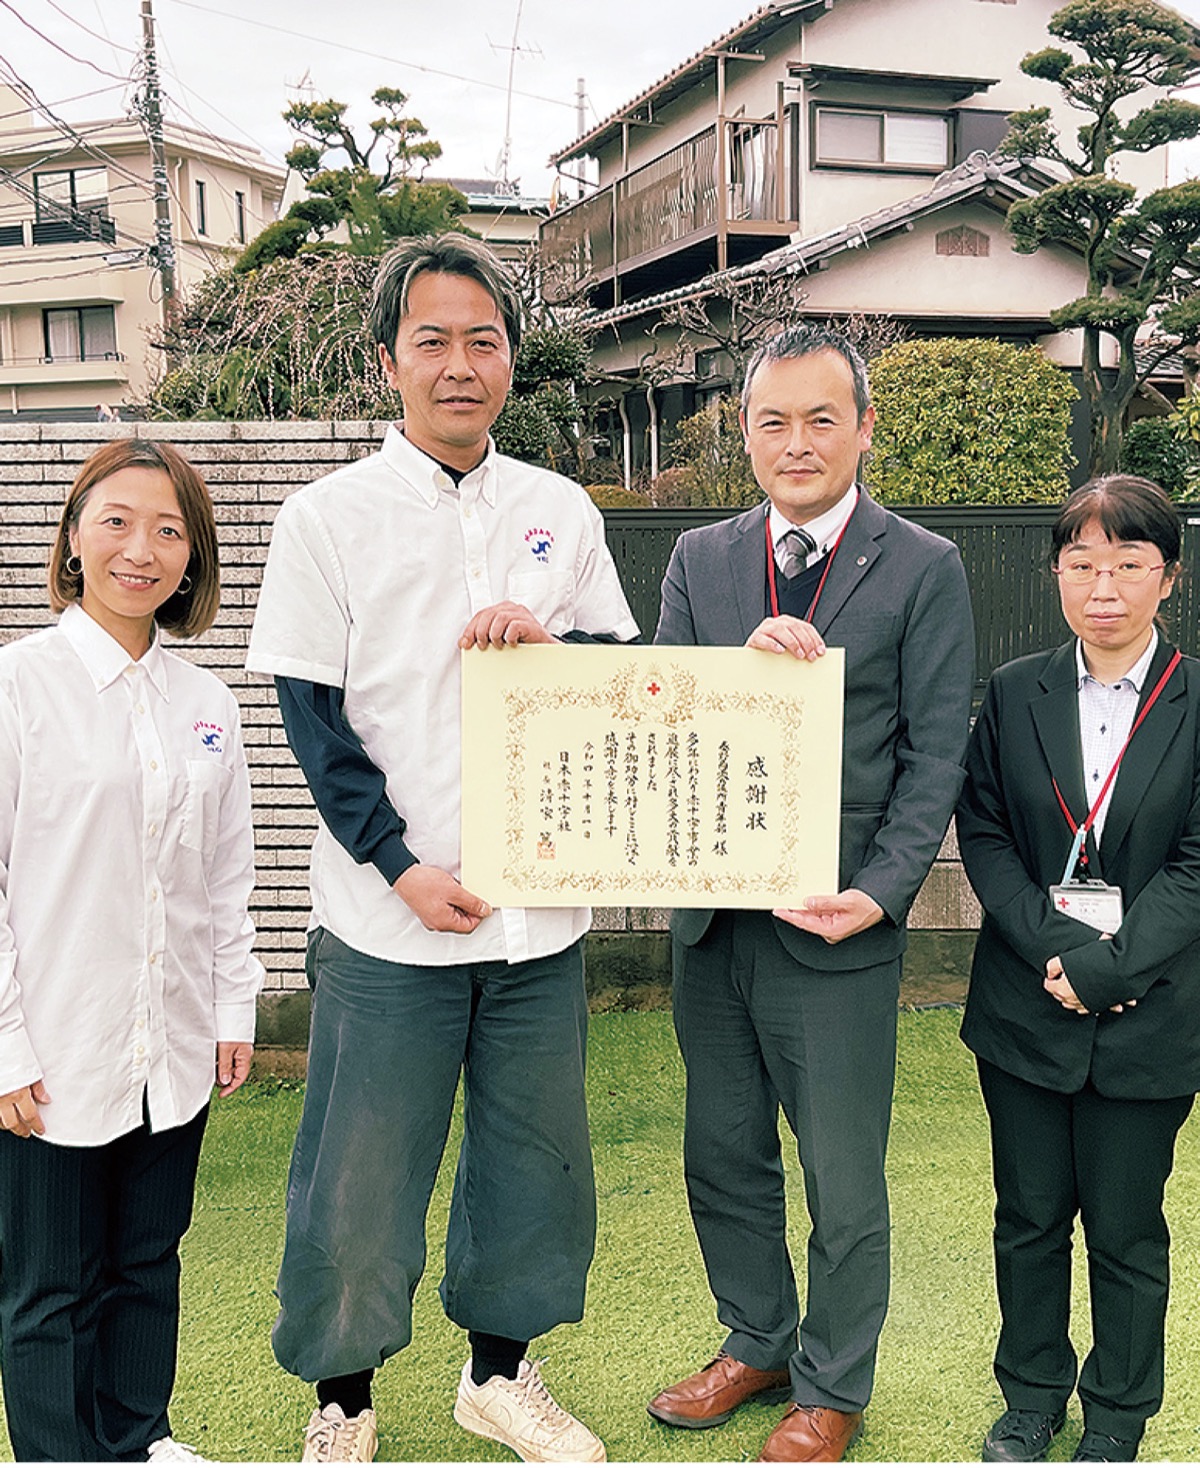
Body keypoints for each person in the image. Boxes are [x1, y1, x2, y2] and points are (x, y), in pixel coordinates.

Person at [245, 232, 639, 1465]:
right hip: (386, 920)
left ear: (512, 361)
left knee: (533, 1170)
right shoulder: (327, 519)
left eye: (484, 340)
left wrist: (557, 647)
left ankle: (498, 1378)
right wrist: (400, 867)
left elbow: (621, 676)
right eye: (433, 341)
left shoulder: (557, 508)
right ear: (387, 362)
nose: (460, 364)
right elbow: (313, 720)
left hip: (540, 921)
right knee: (358, 1182)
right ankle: (345, 1399)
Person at [649, 323, 974, 1463]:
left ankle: (833, 1383)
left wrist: (884, 893)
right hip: (713, 922)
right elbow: (667, 713)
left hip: (839, 923)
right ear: (743, 434)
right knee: (722, 1149)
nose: (796, 443)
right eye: (771, 421)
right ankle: (756, 1340)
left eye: (820, 418)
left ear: (864, 428)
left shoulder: (925, 564)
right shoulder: (701, 556)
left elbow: (936, 752)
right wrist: (741, 663)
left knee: (841, 1168)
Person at [0, 438, 263, 1463]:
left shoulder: (204, 703)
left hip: (175, 1042)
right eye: (115, 521)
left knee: (149, 1259)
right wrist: (6, 1046)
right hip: (53, 1046)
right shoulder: (19, 686)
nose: (140, 549)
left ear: (191, 556)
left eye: (168, 529)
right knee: (47, 1283)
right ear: (73, 536)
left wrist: (232, 1008)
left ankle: (138, 1437)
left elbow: (225, 876)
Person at [956, 475, 1200, 1465]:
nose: (1104, 584)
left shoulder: (1194, 696)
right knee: (1027, 1217)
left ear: (1167, 578)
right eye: (1083, 562)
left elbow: (1196, 862)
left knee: (1127, 1230)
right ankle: (1030, 1400)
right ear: (1057, 571)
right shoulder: (1018, 690)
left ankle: (1115, 1417)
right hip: (1024, 1006)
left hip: (1150, 1012)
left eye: (1129, 563)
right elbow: (983, 828)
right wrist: (1057, 950)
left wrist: (1108, 966)